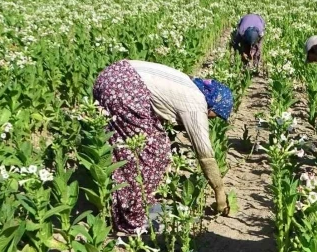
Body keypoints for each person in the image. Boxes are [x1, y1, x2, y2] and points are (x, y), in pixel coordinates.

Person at [92, 60, 233, 234]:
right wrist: (219, 191)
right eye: (215, 115)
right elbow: (205, 155)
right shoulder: (196, 103)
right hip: (125, 87)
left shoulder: (189, 85)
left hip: (110, 77)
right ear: (213, 105)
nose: (212, 119)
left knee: (124, 148)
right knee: (150, 152)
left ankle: (127, 206)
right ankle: (136, 218)